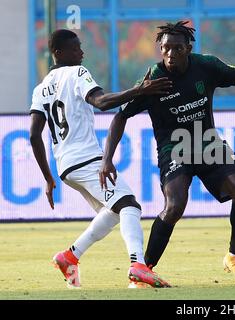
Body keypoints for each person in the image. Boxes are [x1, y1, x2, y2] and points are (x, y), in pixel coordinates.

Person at [99, 21, 235, 285]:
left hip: (208, 144)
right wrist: (107, 159)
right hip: (175, 150)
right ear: (160, 49)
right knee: (174, 206)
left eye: (177, 48)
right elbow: (120, 117)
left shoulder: (206, 65)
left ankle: (234, 258)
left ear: (188, 48)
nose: (171, 54)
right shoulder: (153, 79)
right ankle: (143, 270)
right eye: (166, 48)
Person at [29, 29, 172, 288]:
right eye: (75, 49)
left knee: (115, 211)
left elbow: (33, 135)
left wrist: (48, 177)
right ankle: (137, 265)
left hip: (65, 167)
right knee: (129, 206)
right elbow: (102, 102)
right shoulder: (77, 73)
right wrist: (141, 90)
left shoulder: (40, 89)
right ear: (59, 53)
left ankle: (69, 256)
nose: (81, 53)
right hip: (86, 159)